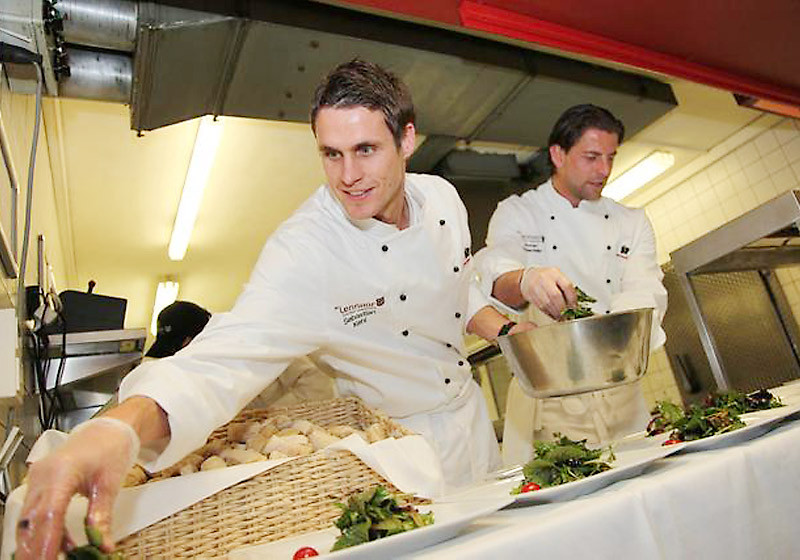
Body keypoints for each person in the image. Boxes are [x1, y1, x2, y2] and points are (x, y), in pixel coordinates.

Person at [15, 59, 523, 559]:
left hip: (472, 422)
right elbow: (227, 354)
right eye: (331, 154)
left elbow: (455, 289)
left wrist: (504, 322)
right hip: (395, 457)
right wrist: (119, 429)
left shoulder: (443, 199)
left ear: (407, 139)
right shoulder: (306, 248)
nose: (348, 176)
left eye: (366, 150)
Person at [476, 104, 668, 467]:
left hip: (620, 393)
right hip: (552, 399)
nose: (604, 170)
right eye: (592, 157)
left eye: (611, 157)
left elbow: (646, 291)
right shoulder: (519, 212)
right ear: (558, 154)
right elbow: (496, 271)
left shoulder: (632, 222)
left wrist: (611, 344)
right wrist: (526, 279)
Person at [146, 300, 336, 408]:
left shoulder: (251, 338)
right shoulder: (208, 358)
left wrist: (270, 417)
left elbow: (315, 380)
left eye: (179, 347)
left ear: (193, 338)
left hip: (295, 434)